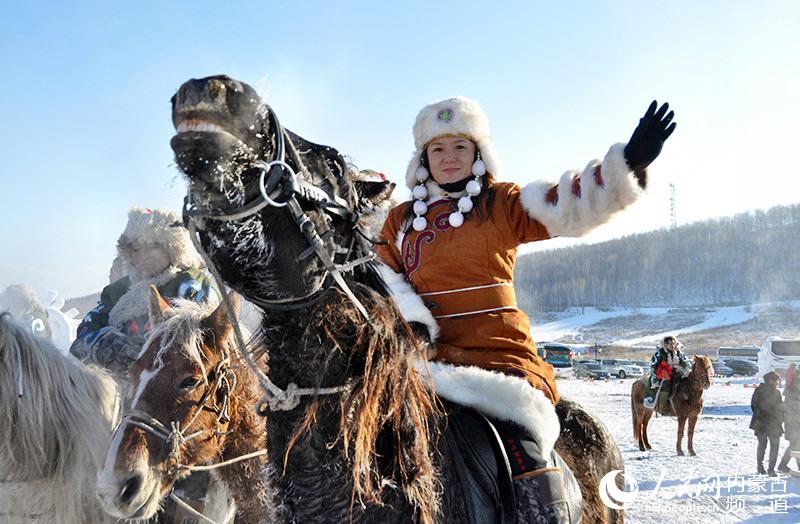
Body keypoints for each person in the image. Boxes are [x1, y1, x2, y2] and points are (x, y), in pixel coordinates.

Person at [376, 96, 675, 522]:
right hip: (424, 365)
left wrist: (626, 163)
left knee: (526, 459)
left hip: (501, 363)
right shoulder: (400, 220)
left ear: (478, 152)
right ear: (423, 157)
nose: (448, 158)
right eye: (437, 149)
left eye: (460, 146)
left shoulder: (502, 203)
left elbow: (564, 206)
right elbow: (383, 279)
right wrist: (413, 323)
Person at [70, 206, 217, 376]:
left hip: (174, 385)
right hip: (119, 386)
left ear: (172, 247)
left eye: (151, 246)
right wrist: (112, 347)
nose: (142, 255)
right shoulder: (119, 291)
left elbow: (211, 337)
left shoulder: (191, 284)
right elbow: (84, 333)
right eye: (135, 249)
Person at [750, 371, 784, 476]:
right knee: (767, 445)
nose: (777, 382)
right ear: (770, 380)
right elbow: (755, 406)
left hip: (769, 423)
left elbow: (754, 405)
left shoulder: (775, 392)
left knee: (768, 446)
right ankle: (764, 468)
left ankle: (768, 468)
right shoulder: (761, 391)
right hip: (764, 423)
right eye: (776, 380)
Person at [643, 336, 691, 410]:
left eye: (674, 344)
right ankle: (662, 406)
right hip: (664, 375)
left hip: (678, 373)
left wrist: (682, 368)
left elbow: (686, 363)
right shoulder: (660, 353)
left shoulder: (679, 353)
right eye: (670, 344)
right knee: (666, 384)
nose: (673, 346)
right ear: (665, 344)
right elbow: (654, 365)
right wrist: (657, 377)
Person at [778, 378, 800, 473]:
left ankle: (783, 464)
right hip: (793, 421)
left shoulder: (792, 388)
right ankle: (783, 465)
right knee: (795, 444)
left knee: (795, 444)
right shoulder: (794, 389)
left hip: (793, 420)